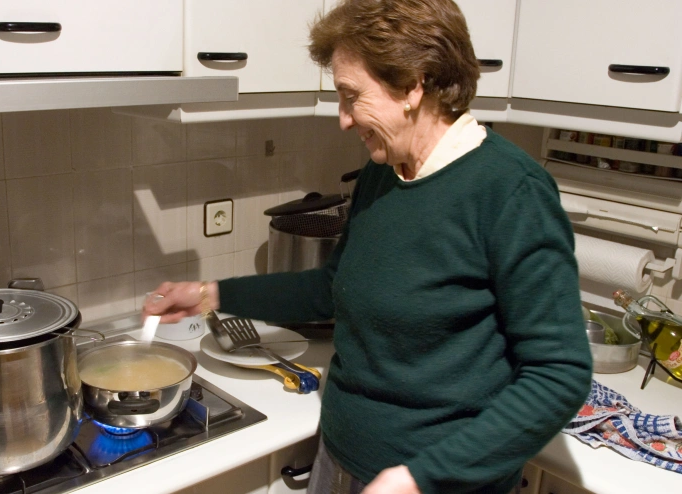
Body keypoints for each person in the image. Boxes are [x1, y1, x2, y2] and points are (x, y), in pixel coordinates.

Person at [144, 0, 593, 492]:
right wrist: (210, 294)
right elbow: (333, 287)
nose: (342, 119)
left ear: (412, 85)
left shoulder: (511, 191)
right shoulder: (385, 172)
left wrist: (421, 478)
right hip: (341, 458)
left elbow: (558, 375)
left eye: (351, 96)